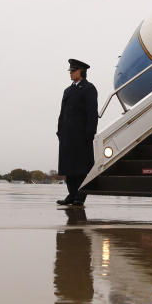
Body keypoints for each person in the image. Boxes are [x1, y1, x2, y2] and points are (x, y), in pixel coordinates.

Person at [56, 59, 98, 207]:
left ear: (82, 71)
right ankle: (71, 195)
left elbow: (92, 113)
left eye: (73, 70)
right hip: (67, 136)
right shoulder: (68, 90)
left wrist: (90, 133)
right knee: (69, 168)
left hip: (81, 136)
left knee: (81, 168)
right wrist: (59, 131)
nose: (71, 73)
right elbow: (63, 113)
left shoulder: (88, 88)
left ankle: (80, 197)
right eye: (70, 71)